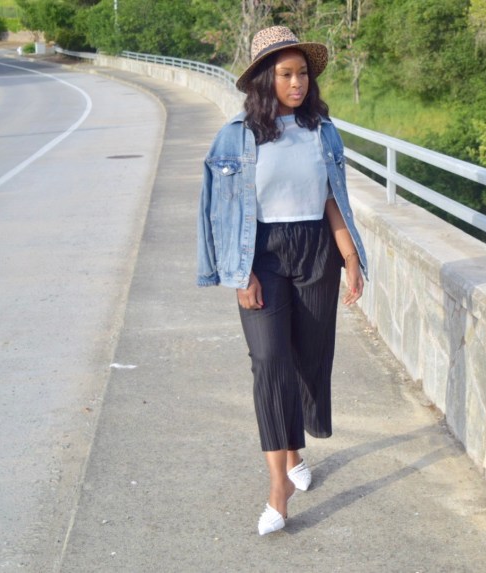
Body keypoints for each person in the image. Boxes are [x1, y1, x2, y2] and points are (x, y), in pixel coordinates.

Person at [196, 25, 368, 535]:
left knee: (308, 358)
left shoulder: (323, 131)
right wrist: (239, 272)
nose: (298, 84)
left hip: (317, 251)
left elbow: (332, 199)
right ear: (263, 80)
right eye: (287, 74)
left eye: (303, 74)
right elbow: (218, 212)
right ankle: (279, 487)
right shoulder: (236, 136)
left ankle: (295, 447)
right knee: (270, 360)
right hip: (262, 254)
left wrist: (351, 257)